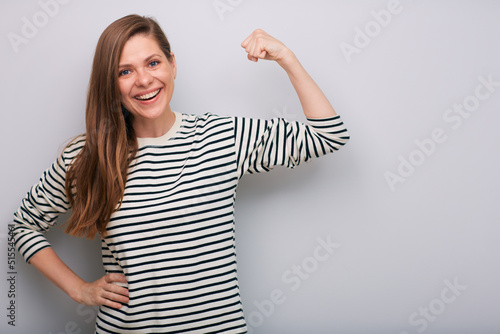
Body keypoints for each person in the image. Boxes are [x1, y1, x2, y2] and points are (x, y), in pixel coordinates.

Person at [13, 14, 349, 333]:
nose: (144, 80)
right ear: (110, 83)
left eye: (153, 63)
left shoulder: (222, 138)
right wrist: (79, 290)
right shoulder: (89, 156)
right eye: (124, 71)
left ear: (173, 64)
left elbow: (328, 135)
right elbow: (22, 226)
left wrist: (286, 58)